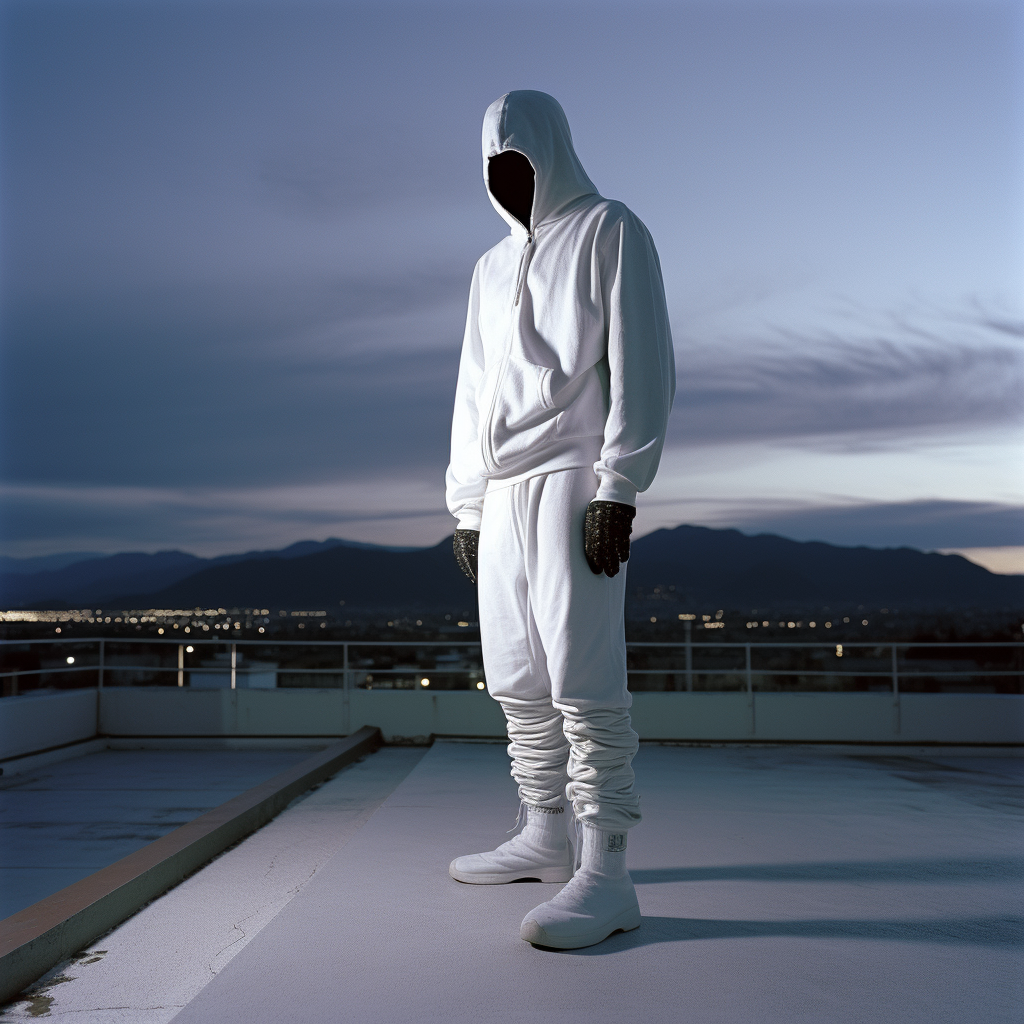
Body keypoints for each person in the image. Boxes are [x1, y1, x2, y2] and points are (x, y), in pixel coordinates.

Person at [444, 90, 675, 950]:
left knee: (582, 674)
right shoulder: (489, 268)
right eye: (493, 164)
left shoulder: (611, 230)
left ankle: (608, 870)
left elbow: (642, 359)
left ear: (551, 152)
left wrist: (619, 484)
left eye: (520, 159)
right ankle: (545, 833)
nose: (507, 175)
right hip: (501, 491)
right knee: (514, 670)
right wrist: (466, 500)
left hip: (574, 477)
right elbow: (472, 393)